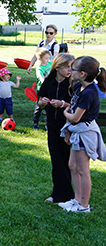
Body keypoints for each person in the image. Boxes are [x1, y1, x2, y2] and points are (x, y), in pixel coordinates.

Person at [57, 56, 106, 213]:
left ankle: (84, 206)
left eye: (74, 68)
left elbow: (75, 116)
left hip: (85, 133)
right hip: (76, 131)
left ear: (83, 74)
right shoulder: (79, 87)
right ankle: (76, 200)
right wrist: (68, 131)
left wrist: (65, 112)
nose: (70, 70)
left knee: (82, 169)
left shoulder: (89, 92)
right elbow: (73, 106)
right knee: (72, 165)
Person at [37, 53, 75, 204]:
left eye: (72, 67)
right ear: (58, 67)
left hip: (68, 127)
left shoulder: (73, 84)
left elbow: (78, 106)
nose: (70, 70)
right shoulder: (49, 81)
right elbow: (39, 101)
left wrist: (63, 104)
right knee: (56, 161)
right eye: (67, 67)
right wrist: (43, 102)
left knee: (66, 161)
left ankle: (67, 195)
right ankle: (58, 193)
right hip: (52, 127)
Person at [32, 48, 52, 129]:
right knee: (39, 106)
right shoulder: (39, 68)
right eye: (46, 58)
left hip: (50, 89)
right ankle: (35, 121)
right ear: (40, 59)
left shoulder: (50, 64)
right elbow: (41, 78)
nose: (48, 59)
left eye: (48, 58)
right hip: (42, 89)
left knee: (49, 106)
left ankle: (48, 123)